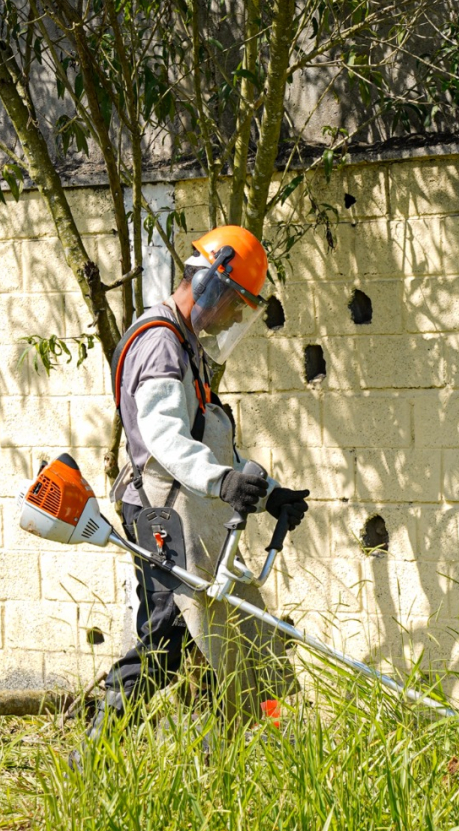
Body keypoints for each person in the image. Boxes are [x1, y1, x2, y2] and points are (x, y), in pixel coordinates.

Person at [86, 224, 310, 741]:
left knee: (217, 634)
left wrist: (269, 494)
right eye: (234, 303)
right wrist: (221, 481)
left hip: (183, 509)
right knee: (164, 637)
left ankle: (232, 752)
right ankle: (93, 754)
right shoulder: (161, 344)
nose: (233, 317)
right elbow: (165, 437)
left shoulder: (186, 347)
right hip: (162, 513)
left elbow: (211, 444)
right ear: (210, 282)